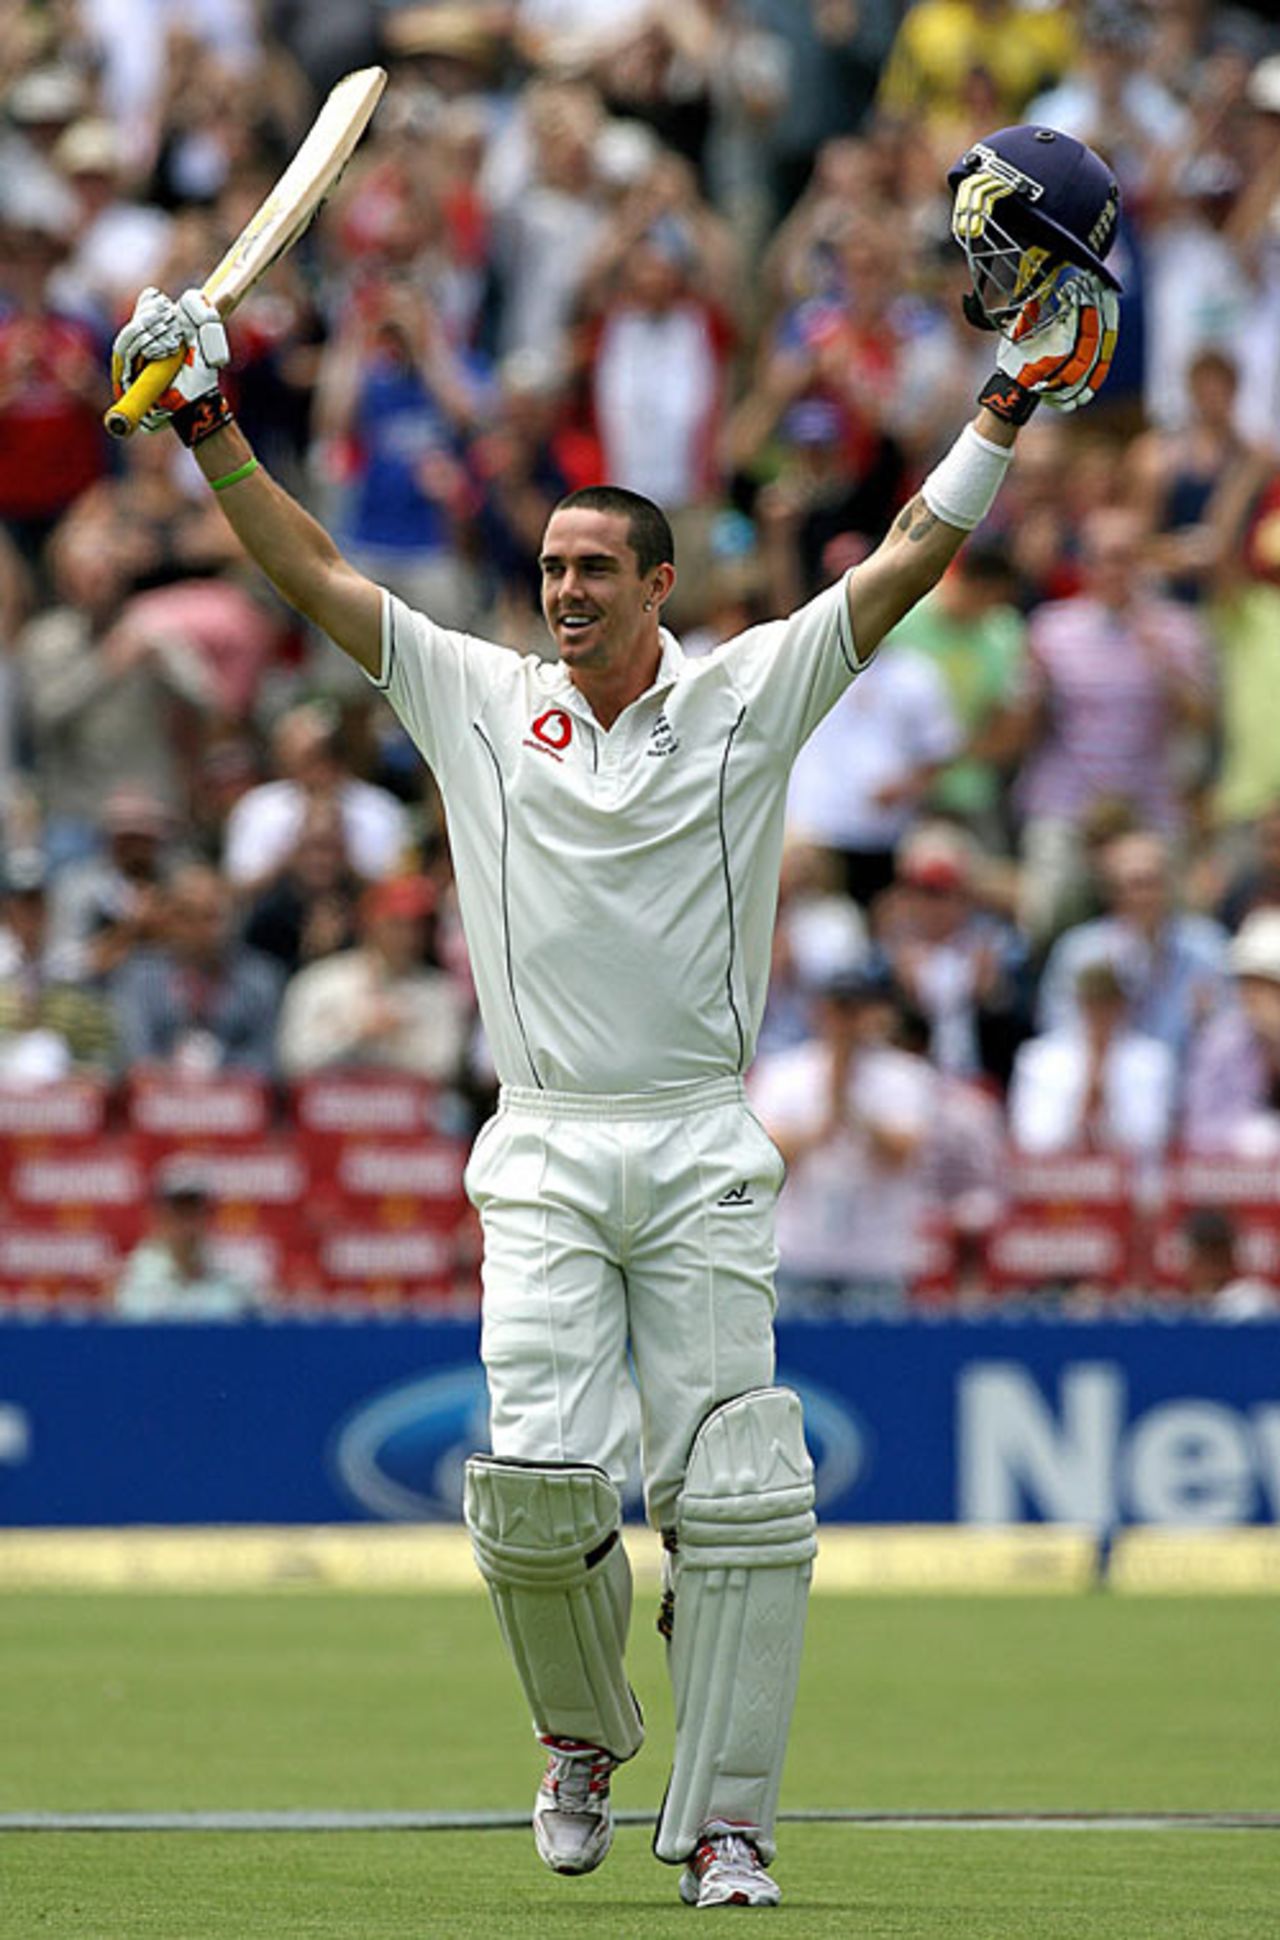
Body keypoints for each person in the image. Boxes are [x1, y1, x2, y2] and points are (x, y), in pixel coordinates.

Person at [110, 121, 1120, 1909]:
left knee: (740, 1497)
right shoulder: (478, 698)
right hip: (551, 1142)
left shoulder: (747, 696)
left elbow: (894, 564)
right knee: (535, 1491)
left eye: (598, 570)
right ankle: (581, 1736)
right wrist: (208, 428)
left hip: (706, 1137)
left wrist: (1008, 406)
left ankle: (729, 1824)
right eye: (553, 567)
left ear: (661, 587)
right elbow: (323, 580)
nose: (563, 589)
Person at [113, 1154, 265, 1320]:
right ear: (158, 1216)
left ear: (209, 1216)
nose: (186, 1224)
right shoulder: (129, 1285)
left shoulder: (235, 1287)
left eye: (194, 1211)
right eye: (178, 1211)